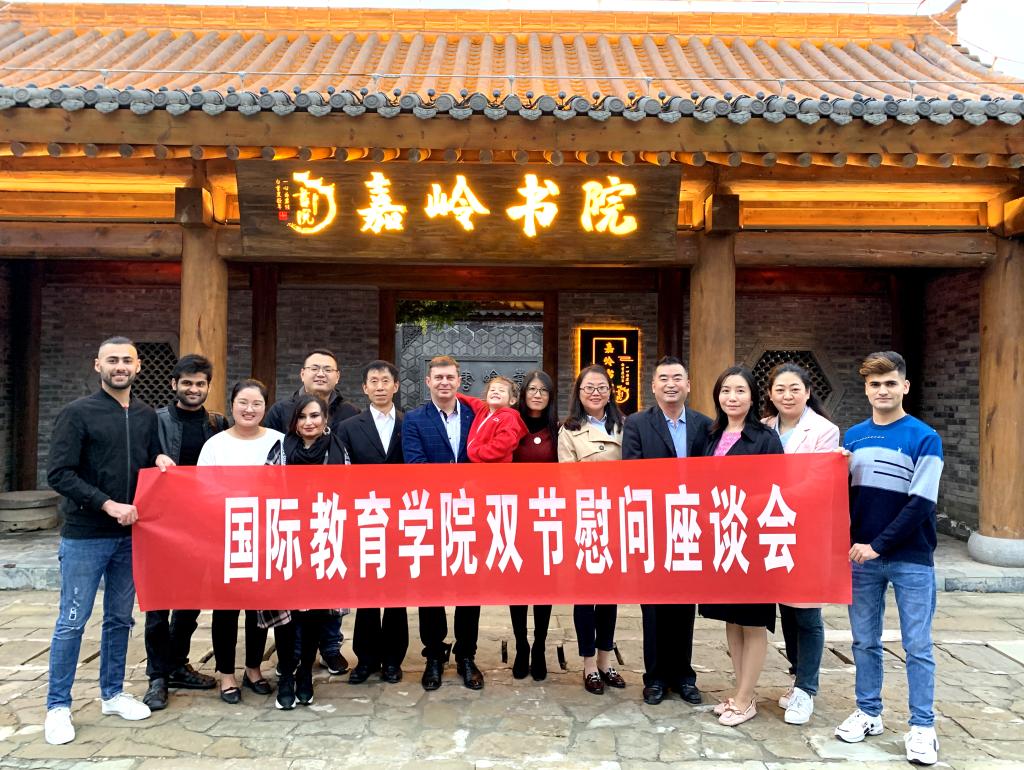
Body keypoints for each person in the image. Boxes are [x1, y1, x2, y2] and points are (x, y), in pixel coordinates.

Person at [44, 337, 174, 745]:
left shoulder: (146, 414)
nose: (120, 366)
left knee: (120, 618)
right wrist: (107, 504)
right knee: (72, 620)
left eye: (127, 360)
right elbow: (59, 473)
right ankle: (58, 706)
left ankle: (113, 693)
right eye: (112, 360)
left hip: (131, 536)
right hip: (86, 534)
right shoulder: (77, 413)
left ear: (138, 366)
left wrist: (160, 459)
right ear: (97, 365)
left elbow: (149, 459)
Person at [834, 351, 943, 767]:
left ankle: (922, 726)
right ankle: (869, 712)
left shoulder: (924, 437)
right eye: (875, 384)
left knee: (917, 645)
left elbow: (921, 504)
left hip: (910, 557)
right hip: (861, 558)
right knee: (864, 641)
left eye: (890, 383)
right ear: (866, 390)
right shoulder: (854, 437)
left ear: (905, 387)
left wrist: (877, 544)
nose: (882, 390)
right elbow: (841, 496)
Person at [694, 365, 783, 727]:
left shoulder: (765, 438)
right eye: (726, 391)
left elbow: (777, 487)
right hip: (720, 539)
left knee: (753, 621)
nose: (732, 397)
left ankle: (746, 699)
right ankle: (739, 690)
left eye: (740, 391)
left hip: (752, 542)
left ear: (753, 396)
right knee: (732, 618)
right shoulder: (711, 436)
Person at [622, 356, 711, 707]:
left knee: (684, 604)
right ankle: (656, 677)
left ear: (688, 385)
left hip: (690, 525)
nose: (670, 384)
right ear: (653, 386)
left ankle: (684, 676)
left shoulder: (705, 425)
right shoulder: (637, 423)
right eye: (663, 378)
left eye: (677, 378)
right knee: (655, 605)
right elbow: (632, 472)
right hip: (654, 525)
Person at [263, 348, 357, 678]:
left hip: (329, 521)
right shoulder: (279, 414)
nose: (321, 374)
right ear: (302, 373)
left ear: (337, 376)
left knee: (329, 587)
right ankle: (293, 652)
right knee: (293, 589)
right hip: (289, 524)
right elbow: (268, 474)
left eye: (327, 369)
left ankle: (330, 648)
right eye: (314, 368)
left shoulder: (349, 414)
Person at [143, 355, 226, 711]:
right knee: (158, 603)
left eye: (200, 384)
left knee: (190, 601)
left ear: (208, 387)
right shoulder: (154, 421)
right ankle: (157, 676)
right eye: (187, 383)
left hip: (201, 522)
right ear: (174, 384)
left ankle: (178, 664)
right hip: (161, 523)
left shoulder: (217, 423)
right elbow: (140, 462)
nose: (194, 389)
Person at [197, 379, 285, 707]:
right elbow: (202, 490)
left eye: (256, 404)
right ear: (232, 405)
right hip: (225, 537)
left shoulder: (279, 441)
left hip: (266, 536)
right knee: (226, 609)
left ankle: (253, 669)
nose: (249, 409)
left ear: (265, 407)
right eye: (243, 403)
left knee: (258, 608)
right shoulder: (215, 445)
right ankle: (225, 674)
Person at [761, 362, 840, 726]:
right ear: (770, 394)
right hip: (771, 529)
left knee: (806, 610)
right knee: (786, 607)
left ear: (808, 392)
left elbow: (819, 481)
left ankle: (807, 688)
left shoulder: (824, 430)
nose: (787, 395)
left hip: (806, 530)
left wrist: (771, 497)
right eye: (780, 389)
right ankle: (796, 677)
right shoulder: (764, 428)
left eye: (795, 389)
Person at [401, 355, 482, 691]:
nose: (444, 382)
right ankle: (434, 654)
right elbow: (415, 465)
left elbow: (488, 461)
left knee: (469, 588)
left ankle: (466, 655)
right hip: (431, 513)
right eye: (438, 377)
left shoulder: (477, 417)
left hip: (469, 512)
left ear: (459, 381)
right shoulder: (414, 419)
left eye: (450, 377)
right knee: (430, 586)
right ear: (428, 382)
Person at [331, 360, 409, 685]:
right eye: (373, 381)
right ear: (364, 388)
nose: (379, 386)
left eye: (385, 380)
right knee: (366, 592)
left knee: (397, 593)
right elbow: (341, 474)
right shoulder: (349, 427)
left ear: (396, 386)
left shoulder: (409, 423)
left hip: (402, 517)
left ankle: (392, 659)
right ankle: (365, 659)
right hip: (364, 517)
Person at [257, 394, 337, 709]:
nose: (308, 422)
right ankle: (287, 674)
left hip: (322, 538)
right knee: (286, 613)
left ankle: (305, 673)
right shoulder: (280, 448)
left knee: (316, 611)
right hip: (286, 538)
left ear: (325, 419)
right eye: (302, 417)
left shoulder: (337, 450)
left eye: (315, 416)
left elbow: (346, 492)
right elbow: (265, 490)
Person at [558, 364, 626, 696]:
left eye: (601, 387)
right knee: (585, 595)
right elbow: (567, 478)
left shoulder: (625, 426)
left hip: (617, 517)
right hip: (585, 519)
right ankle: (588, 664)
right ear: (579, 393)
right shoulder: (569, 430)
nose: (595, 393)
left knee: (610, 595)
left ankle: (605, 659)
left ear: (610, 392)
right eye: (589, 388)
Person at [510, 370, 559, 681]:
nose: (537, 394)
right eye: (532, 389)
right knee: (517, 585)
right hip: (515, 516)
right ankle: (521, 645)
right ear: (523, 393)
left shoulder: (559, 429)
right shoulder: (510, 424)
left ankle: (539, 645)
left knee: (544, 585)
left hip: (547, 516)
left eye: (543, 390)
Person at [457, 376, 528, 463]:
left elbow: (503, 444)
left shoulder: (509, 418)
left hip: (495, 467)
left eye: (501, 390)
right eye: (492, 390)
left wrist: (478, 453)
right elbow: (469, 400)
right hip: (478, 464)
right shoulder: (483, 409)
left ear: (512, 401)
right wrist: (451, 394)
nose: (496, 392)